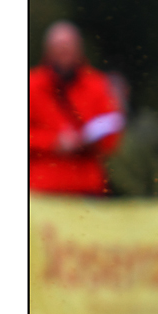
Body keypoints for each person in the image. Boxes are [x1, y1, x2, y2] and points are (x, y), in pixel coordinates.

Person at [29, 21, 125, 195]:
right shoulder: (32, 86)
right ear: (48, 51)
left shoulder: (98, 85)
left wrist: (85, 142)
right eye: (59, 48)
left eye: (68, 48)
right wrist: (54, 142)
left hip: (87, 186)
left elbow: (112, 137)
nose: (64, 54)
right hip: (43, 187)